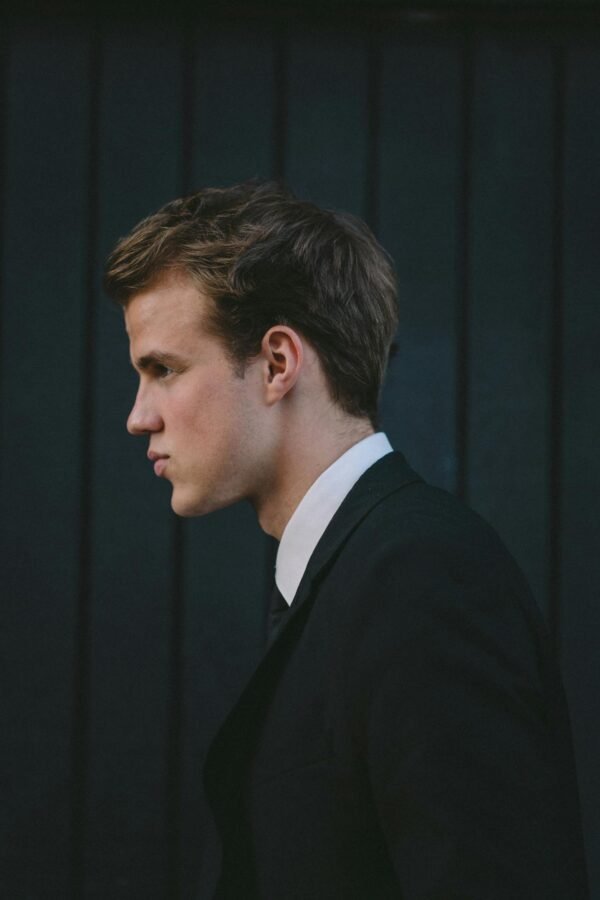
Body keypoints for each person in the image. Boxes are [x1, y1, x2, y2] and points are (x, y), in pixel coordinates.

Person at [104, 181, 589, 899]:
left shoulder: (421, 576)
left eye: (164, 369)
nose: (138, 417)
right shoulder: (351, 573)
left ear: (277, 364)